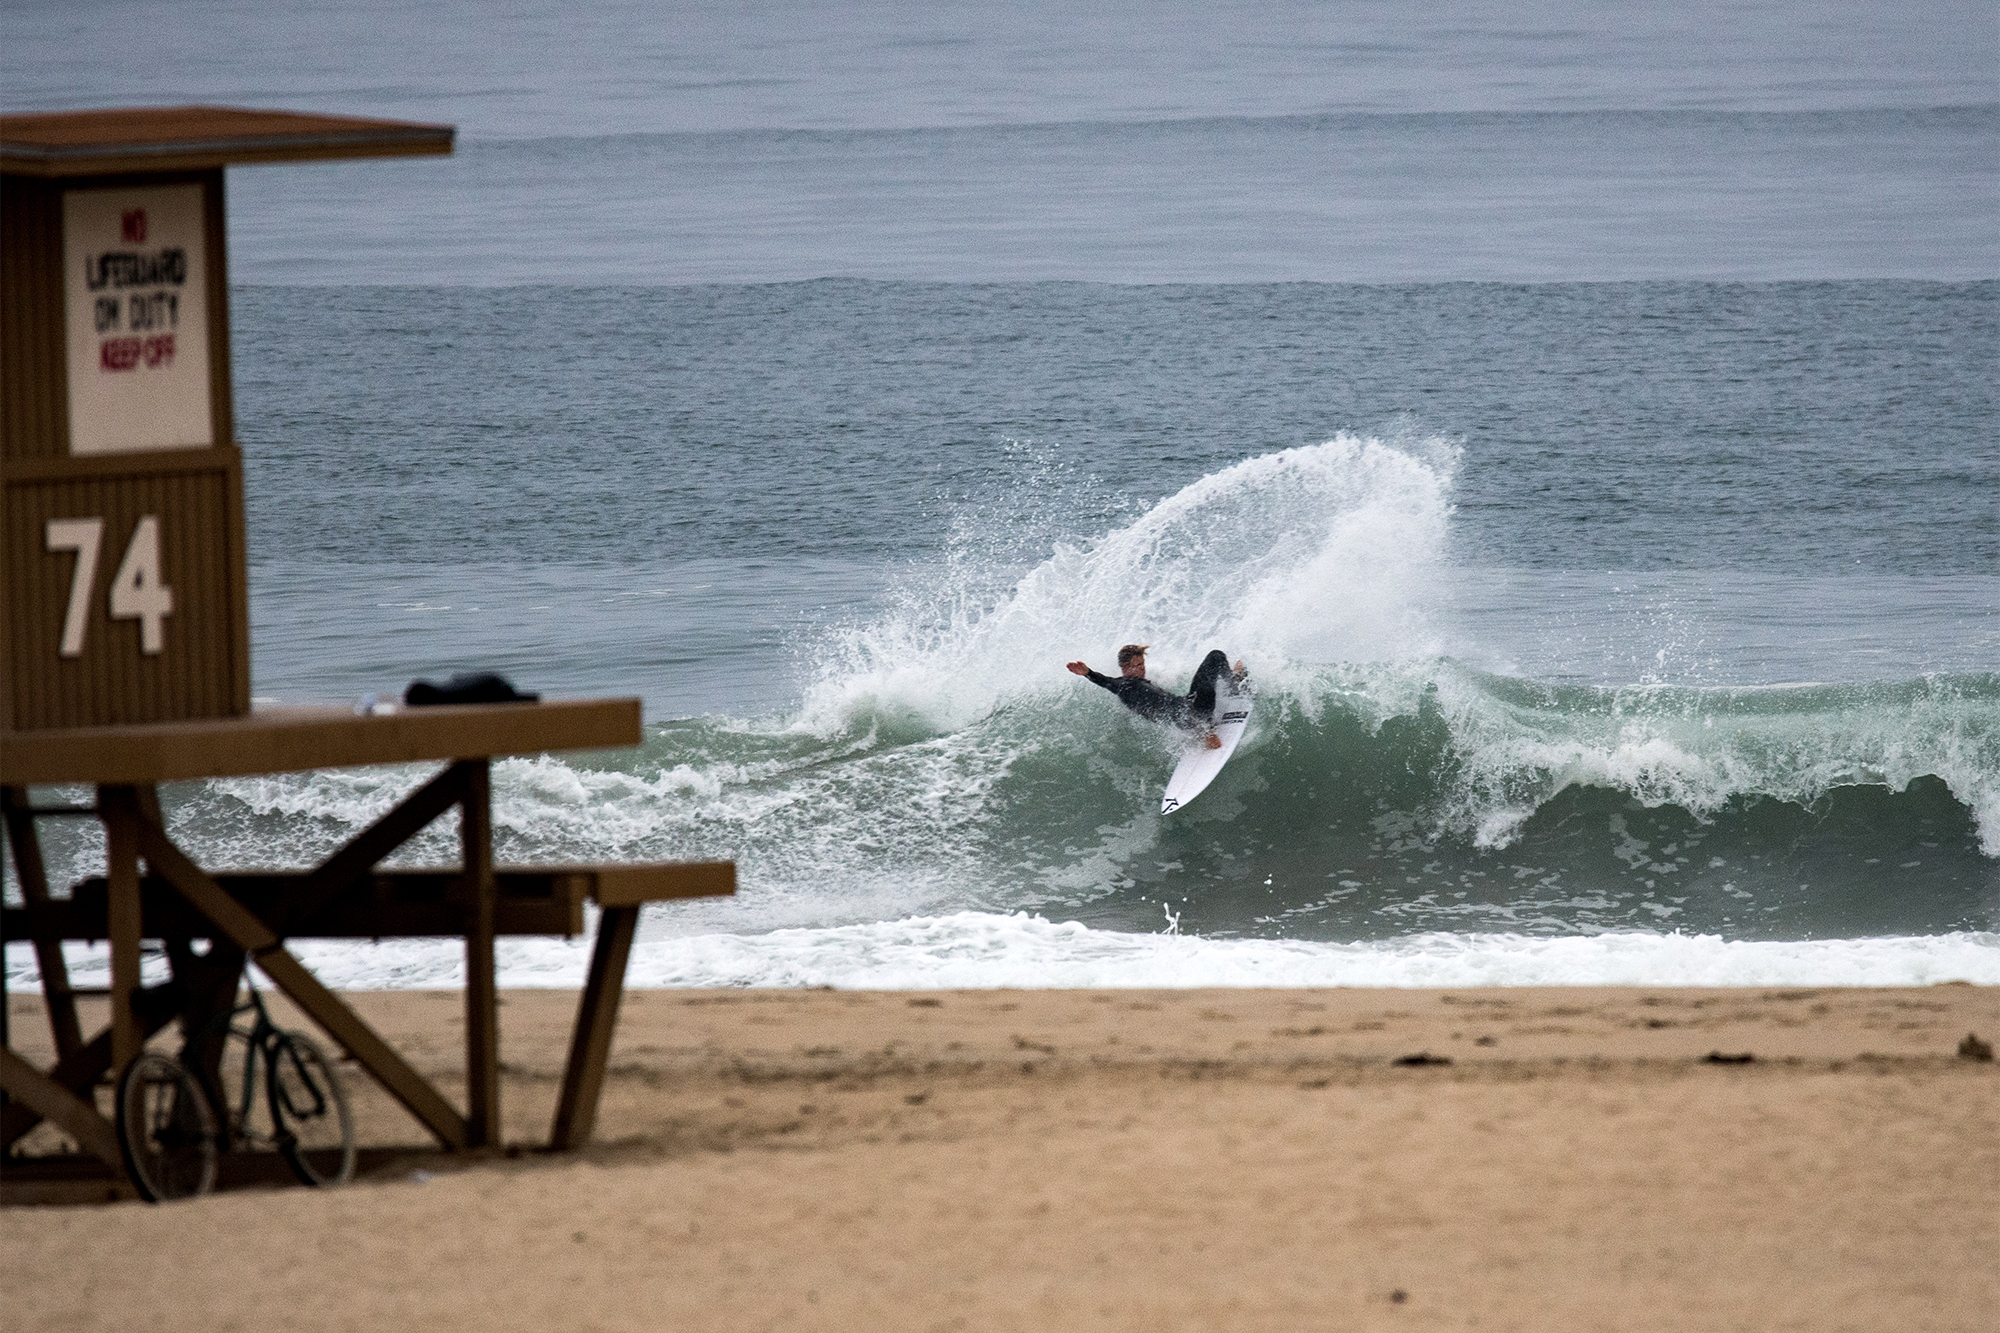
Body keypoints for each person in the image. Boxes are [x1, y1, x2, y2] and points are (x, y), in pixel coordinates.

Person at [1066, 644, 1246, 748]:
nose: (1142, 668)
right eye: (1137, 665)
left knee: (1210, 670)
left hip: (1189, 709)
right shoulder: (1125, 686)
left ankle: (1230, 683)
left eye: (1142, 663)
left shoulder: (1130, 684)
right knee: (1215, 656)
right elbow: (1105, 681)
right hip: (1195, 713)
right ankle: (1234, 686)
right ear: (1124, 667)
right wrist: (1088, 673)